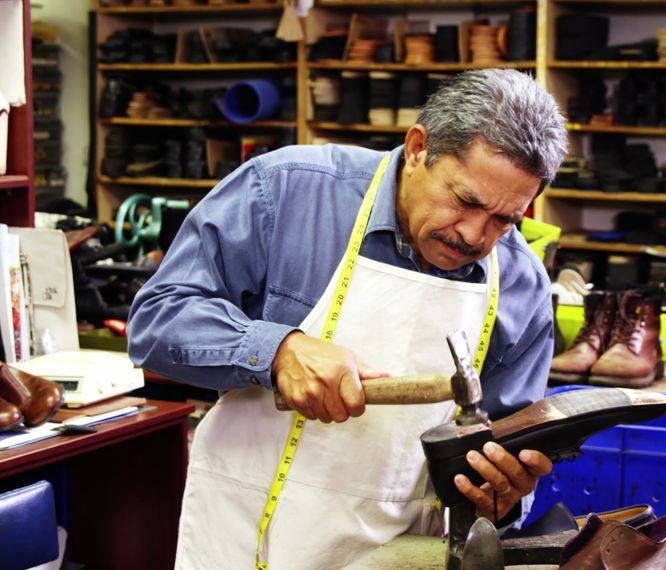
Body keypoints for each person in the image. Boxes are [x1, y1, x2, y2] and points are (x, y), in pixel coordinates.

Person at [127, 68, 568, 568]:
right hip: (243, 539)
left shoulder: (521, 284)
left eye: (505, 219)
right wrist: (277, 351)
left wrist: (501, 494)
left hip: (399, 557)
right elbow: (157, 320)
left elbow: (505, 454)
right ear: (419, 147)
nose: (473, 235)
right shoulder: (286, 192)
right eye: (465, 200)